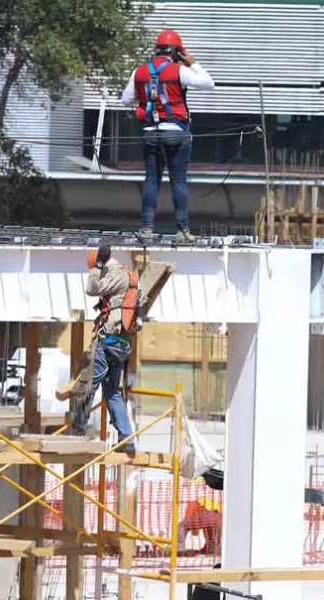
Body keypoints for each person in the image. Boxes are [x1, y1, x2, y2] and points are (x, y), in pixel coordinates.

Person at [121, 29, 216, 243]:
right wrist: (193, 63)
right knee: (178, 181)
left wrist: (145, 100)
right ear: (176, 52)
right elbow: (209, 83)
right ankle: (182, 231)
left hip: (151, 133)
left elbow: (125, 99)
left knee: (151, 181)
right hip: (176, 132)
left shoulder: (140, 71)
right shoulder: (179, 71)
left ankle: (146, 231)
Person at [69, 245, 139, 452]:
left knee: (89, 383)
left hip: (108, 341)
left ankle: (78, 430)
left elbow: (91, 289)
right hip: (120, 344)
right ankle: (126, 439)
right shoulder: (126, 276)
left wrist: (96, 268)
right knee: (112, 391)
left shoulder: (117, 276)